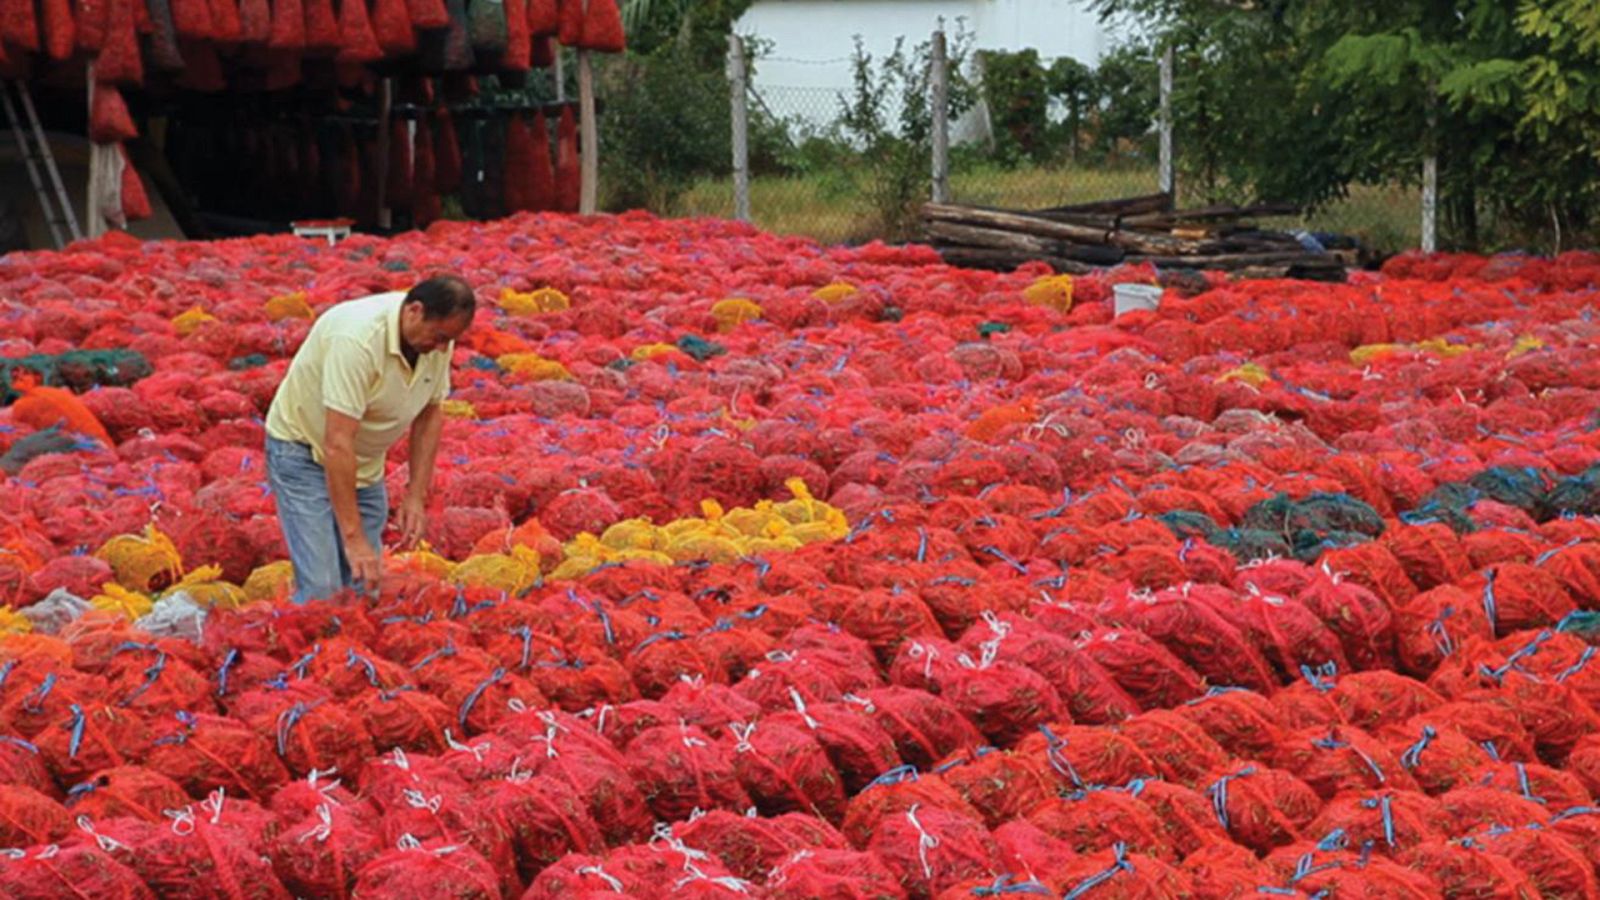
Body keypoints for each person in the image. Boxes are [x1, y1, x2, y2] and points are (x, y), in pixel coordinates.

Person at [264, 275, 475, 603]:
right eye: (439, 337)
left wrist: (415, 495)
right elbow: (337, 442)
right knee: (322, 590)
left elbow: (430, 414)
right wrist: (353, 538)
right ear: (415, 311)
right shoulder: (357, 340)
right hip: (303, 450)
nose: (442, 348)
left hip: (363, 462)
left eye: (449, 340)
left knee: (364, 586)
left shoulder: (435, 342)